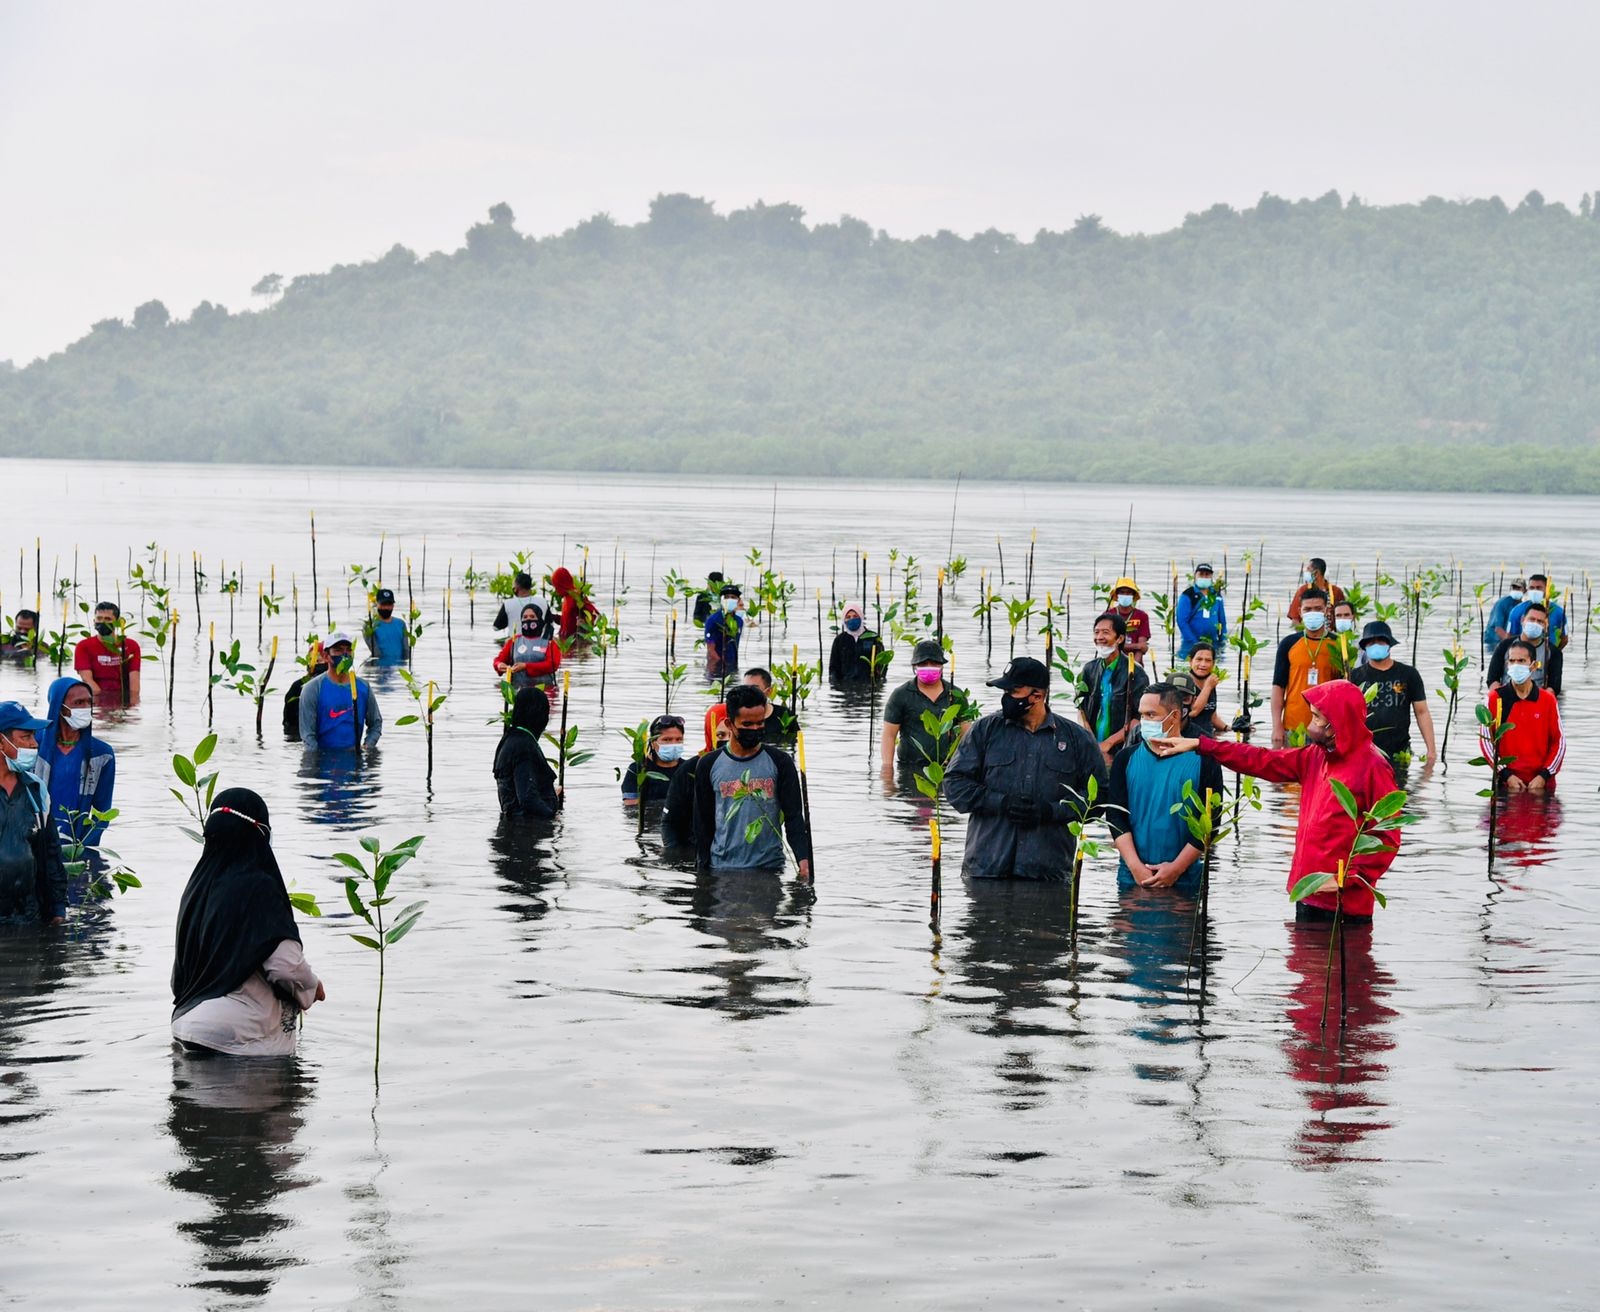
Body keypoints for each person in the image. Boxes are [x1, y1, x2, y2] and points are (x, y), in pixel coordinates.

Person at [1149, 680, 1400, 923]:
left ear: (1336, 723)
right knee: (1304, 963)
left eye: (1317, 718)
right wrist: (1201, 744)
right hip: (1307, 890)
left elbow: (1388, 836)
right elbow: (1262, 760)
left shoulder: (1373, 767)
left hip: (1345, 902)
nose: (1310, 724)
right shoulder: (1317, 756)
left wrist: (1346, 879)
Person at [170, 789, 324, 1056]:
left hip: (186, 1026)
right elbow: (286, 967)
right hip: (240, 1036)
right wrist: (312, 986)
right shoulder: (259, 887)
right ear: (259, 834)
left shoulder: (195, 890)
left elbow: (178, 981)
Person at [946, 656, 1107, 881]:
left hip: (1048, 873)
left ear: (1038, 696)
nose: (1006, 698)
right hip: (986, 869)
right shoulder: (984, 730)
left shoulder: (1076, 738)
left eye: (1013, 692)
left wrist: (1050, 811)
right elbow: (954, 785)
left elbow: (1098, 799)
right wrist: (1000, 802)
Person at [1108, 685, 1226, 890]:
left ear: (1174, 716)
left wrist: (1176, 869)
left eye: (1151, 714)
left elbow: (1210, 822)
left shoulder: (1205, 761)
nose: (1144, 721)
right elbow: (1115, 816)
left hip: (1185, 878)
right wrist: (1136, 867)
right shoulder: (1125, 759)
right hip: (1132, 875)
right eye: (1142, 714)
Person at [693, 684, 813, 878]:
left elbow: (794, 818)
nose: (755, 730)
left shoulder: (780, 762)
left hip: (768, 867)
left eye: (760, 723)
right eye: (747, 725)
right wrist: (703, 873)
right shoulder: (709, 764)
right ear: (730, 724)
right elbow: (703, 824)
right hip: (722, 867)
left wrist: (803, 860)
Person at [0, 701, 67, 926]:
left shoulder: (36, 790)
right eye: (26, 737)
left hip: (29, 915)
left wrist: (58, 909)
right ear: (1, 741)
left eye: (33, 737)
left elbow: (51, 852)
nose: (34, 744)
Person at [35, 676, 116, 848]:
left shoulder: (102, 754)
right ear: (60, 707)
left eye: (89, 702)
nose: (86, 708)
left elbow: (102, 812)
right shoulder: (33, 745)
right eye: (78, 703)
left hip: (77, 845)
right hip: (35, 842)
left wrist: (83, 848)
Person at [880, 638, 971, 777]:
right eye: (923, 663)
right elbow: (889, 735)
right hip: (909, 768)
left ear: (942, 666)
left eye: (934, 663)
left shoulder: (956, 695)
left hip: (948, 768)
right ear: (915, 666)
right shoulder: (901, 695)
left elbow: (967, 734)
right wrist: (887, 772)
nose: (929, 666)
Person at [1482, 641, 1565, 793]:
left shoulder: (1548, 700)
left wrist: (1544, 775)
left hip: (1542, 786)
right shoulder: (1495, 698)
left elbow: (1559, 743)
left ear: (1533, 666)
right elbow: (1486, 741)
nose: (1516, 665)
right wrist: (1506, 774)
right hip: (1506, 785)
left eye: (1521, 661)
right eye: (1512, 661)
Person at [1349, 621, 1436, 765]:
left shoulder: (1408, 674)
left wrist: (1431, 750)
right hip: (1364, 752)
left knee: (1399, 787)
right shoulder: (1355, 676)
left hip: (1399, 751)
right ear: (1364, 646)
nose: (1376, 645)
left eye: (1381, 641)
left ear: (1389, 644)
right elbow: (1347, 716)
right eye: (1371, 642)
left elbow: (1422, 712)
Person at [1077, 612, 1149, 763]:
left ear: (1120, 638)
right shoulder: (1089, 669)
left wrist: (1109, 743)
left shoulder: (1136, 672)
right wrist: (1091, 741)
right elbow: (1081, 708)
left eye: (1105, 632)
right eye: (1096, 632)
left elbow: (1139, 718)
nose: (1099, 637)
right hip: (1093, 745)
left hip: (1121, 747)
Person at [1271, 588, 1337, 748]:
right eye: (1307, 609)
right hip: (1294, 727)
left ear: (1326, 611)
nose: (1312, 613)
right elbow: (1278, 687)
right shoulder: (1289, 644)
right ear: (1300, 612)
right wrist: (1276, 726)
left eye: (1318, 609)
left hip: (1327, 728)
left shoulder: (1338, 644)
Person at [297, 631, 382, 751]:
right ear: (326, 656)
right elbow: (308, 735)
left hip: (354, 760)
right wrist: (313, 765)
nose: (344, 654)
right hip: (323, 760)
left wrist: (367, 746)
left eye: (348, 650)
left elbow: (376, 723)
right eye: (338, 650)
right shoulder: (312, 689)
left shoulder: (363, 687)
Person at [664, 713, 732, 849]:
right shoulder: (690, 769)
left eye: (731, 735)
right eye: (720, 735)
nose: (727, 741)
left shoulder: (754, 768)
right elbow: (670, 823)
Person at [494, 688, 562, 818]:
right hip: (527, 830)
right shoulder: (523, 746)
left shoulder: (509, 740)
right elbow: (527, 800)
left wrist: (550, 793)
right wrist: (553, 817)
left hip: (513, 826)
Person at [1487, 601, 1563, 694]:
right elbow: (1492, 680)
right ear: (1522, 620)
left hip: (1536, 699)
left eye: (1540, 621)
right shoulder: (1505, 646)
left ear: (1545, 625)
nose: (1535, 623)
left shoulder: (1553, 652)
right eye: (1531, 619)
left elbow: (1554, 687)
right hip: (1507, 695)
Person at [73, 601, 141, 702]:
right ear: (94, 621)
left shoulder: (131, 646)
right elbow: (87, 680)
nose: (103, 622)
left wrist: (130, 708)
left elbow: (134, 686)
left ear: (117, 622)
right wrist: (102, 705)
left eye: (108, 619)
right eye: (99, 618)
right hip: (96, 699)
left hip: (122, 699)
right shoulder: (83, 646)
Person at [492, 603, 563, 692]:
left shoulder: (549, 642)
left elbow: (552, 665)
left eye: (532, 616)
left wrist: (526, 666)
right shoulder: (513, 641)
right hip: (518, 689)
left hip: (544, 690)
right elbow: (498, 660)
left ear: (539, 619)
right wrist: (499, 665)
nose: (528, 619)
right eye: (525, 617)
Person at [621, 713, 687, 804]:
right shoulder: (638, 769)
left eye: (679, 739)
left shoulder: (689, 768)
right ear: (653, 742)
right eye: (667, 740)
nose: (673, 744)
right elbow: (631, 807)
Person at [1175, 563, 1227, 659]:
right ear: (1195, 576)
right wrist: (1194, 642)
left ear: (1211, 577)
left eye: (1207, 575)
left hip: (1213, 643)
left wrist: (1223, 640)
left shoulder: (1216, 596)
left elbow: (1222, 621)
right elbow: (1182, 622)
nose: (1204, 577)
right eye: (1201, 574)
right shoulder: (1188, 595)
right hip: (1190, 644)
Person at [282, 641, 330, 739]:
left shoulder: (336, 685)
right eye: (313, 660)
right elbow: (289, 720)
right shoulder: (297, 686)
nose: (316, 663)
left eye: (319, 660)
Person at [1507, 574, 1569, 649]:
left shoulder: (1559, 612)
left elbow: (1564, 639)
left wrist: (1554, 654)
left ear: (1546, 590)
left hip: (1548, 653)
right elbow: (1509, 637)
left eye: (1539, 588)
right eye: (1532, 588)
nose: (1535, 591)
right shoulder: (1517, 611)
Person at [828, 600, 883, 684]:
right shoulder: (839, 640)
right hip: (846, 685)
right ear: (844, 620)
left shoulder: (873, 637)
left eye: (855, 616)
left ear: (861, 617)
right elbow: (834, 667)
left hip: (869, 685)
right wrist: (836, 687)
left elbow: (882, 664)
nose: (852, 619)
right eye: (848, 617)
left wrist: (878, 682)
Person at [1183, 643, 1227, 736]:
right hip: (1190, 737)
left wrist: (1229, 728)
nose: (1203, 664)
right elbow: (1193, 712)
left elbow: (1213, 717)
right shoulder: (1185, 684)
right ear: (1191, 661)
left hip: (1208, 737)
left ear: (1213, 663)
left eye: (1208, 661)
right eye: (1199, 659)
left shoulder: (1210, 683)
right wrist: (1208, 687)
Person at [743, 667, 796, 742]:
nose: (748, 693)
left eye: (754, 688)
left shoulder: (784, 714)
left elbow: (794, 742)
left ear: (768, 691)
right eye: (745, 688)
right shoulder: (736, 714)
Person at [705, 583, 745, 678]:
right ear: (721, 600)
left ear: (738, 600)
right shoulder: (713, 620)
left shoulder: (738, 621)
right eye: (726, 597)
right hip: (718, 667)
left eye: (733, 597)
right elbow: (711, 650)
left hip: (733, 664)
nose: (729, 599)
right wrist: (718, 667)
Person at [1288, 558, 1345, 624]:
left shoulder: (1336, 591)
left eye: (1308, 569)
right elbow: (1295, 619)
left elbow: (1343, 615)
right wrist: (1301, 634)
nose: (1306, 572)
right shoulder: (1303, 590)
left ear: (1316, 572)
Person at [1107, 578, 1152, 662]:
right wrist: (1137, 646)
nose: (1125, 595)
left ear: (1133, 595)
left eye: (1128, 592)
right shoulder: (1108, 615)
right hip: (1112, 662)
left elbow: (1142, 647)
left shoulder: (1142, 616)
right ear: (1117, 595)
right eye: (1122, 592)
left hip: (1135, 661)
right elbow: (1108, 645)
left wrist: (1135, 666)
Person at [550, 566, 598, 642]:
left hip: (576, 641)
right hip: (566, 640)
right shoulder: (566, 598)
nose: (556, 590)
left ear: (562, 584)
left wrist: (584, 625)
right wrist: (553, 617)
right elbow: (568, 622)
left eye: (557, 587)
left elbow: (596, 615)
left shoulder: (576, 597)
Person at [364, 587, 411, 662]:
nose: (386, 608)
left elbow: (406, 649)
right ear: (377, 604)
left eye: (389, 604)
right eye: (383, 604)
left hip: (398, 668)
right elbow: (375, 651)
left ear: (393, 606)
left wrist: (406, 665)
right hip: (379, 668)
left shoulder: (401, 624)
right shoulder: (370, 625)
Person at [1486, 578, 1525, 645]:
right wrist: (1513, 644)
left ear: (1525, 590)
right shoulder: (1502, 603)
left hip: (1509, 639)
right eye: (1514, 588)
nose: (1515, 590)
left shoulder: (1522, 606)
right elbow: (1498, 629)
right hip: (1494, 641)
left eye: (1518, 588)